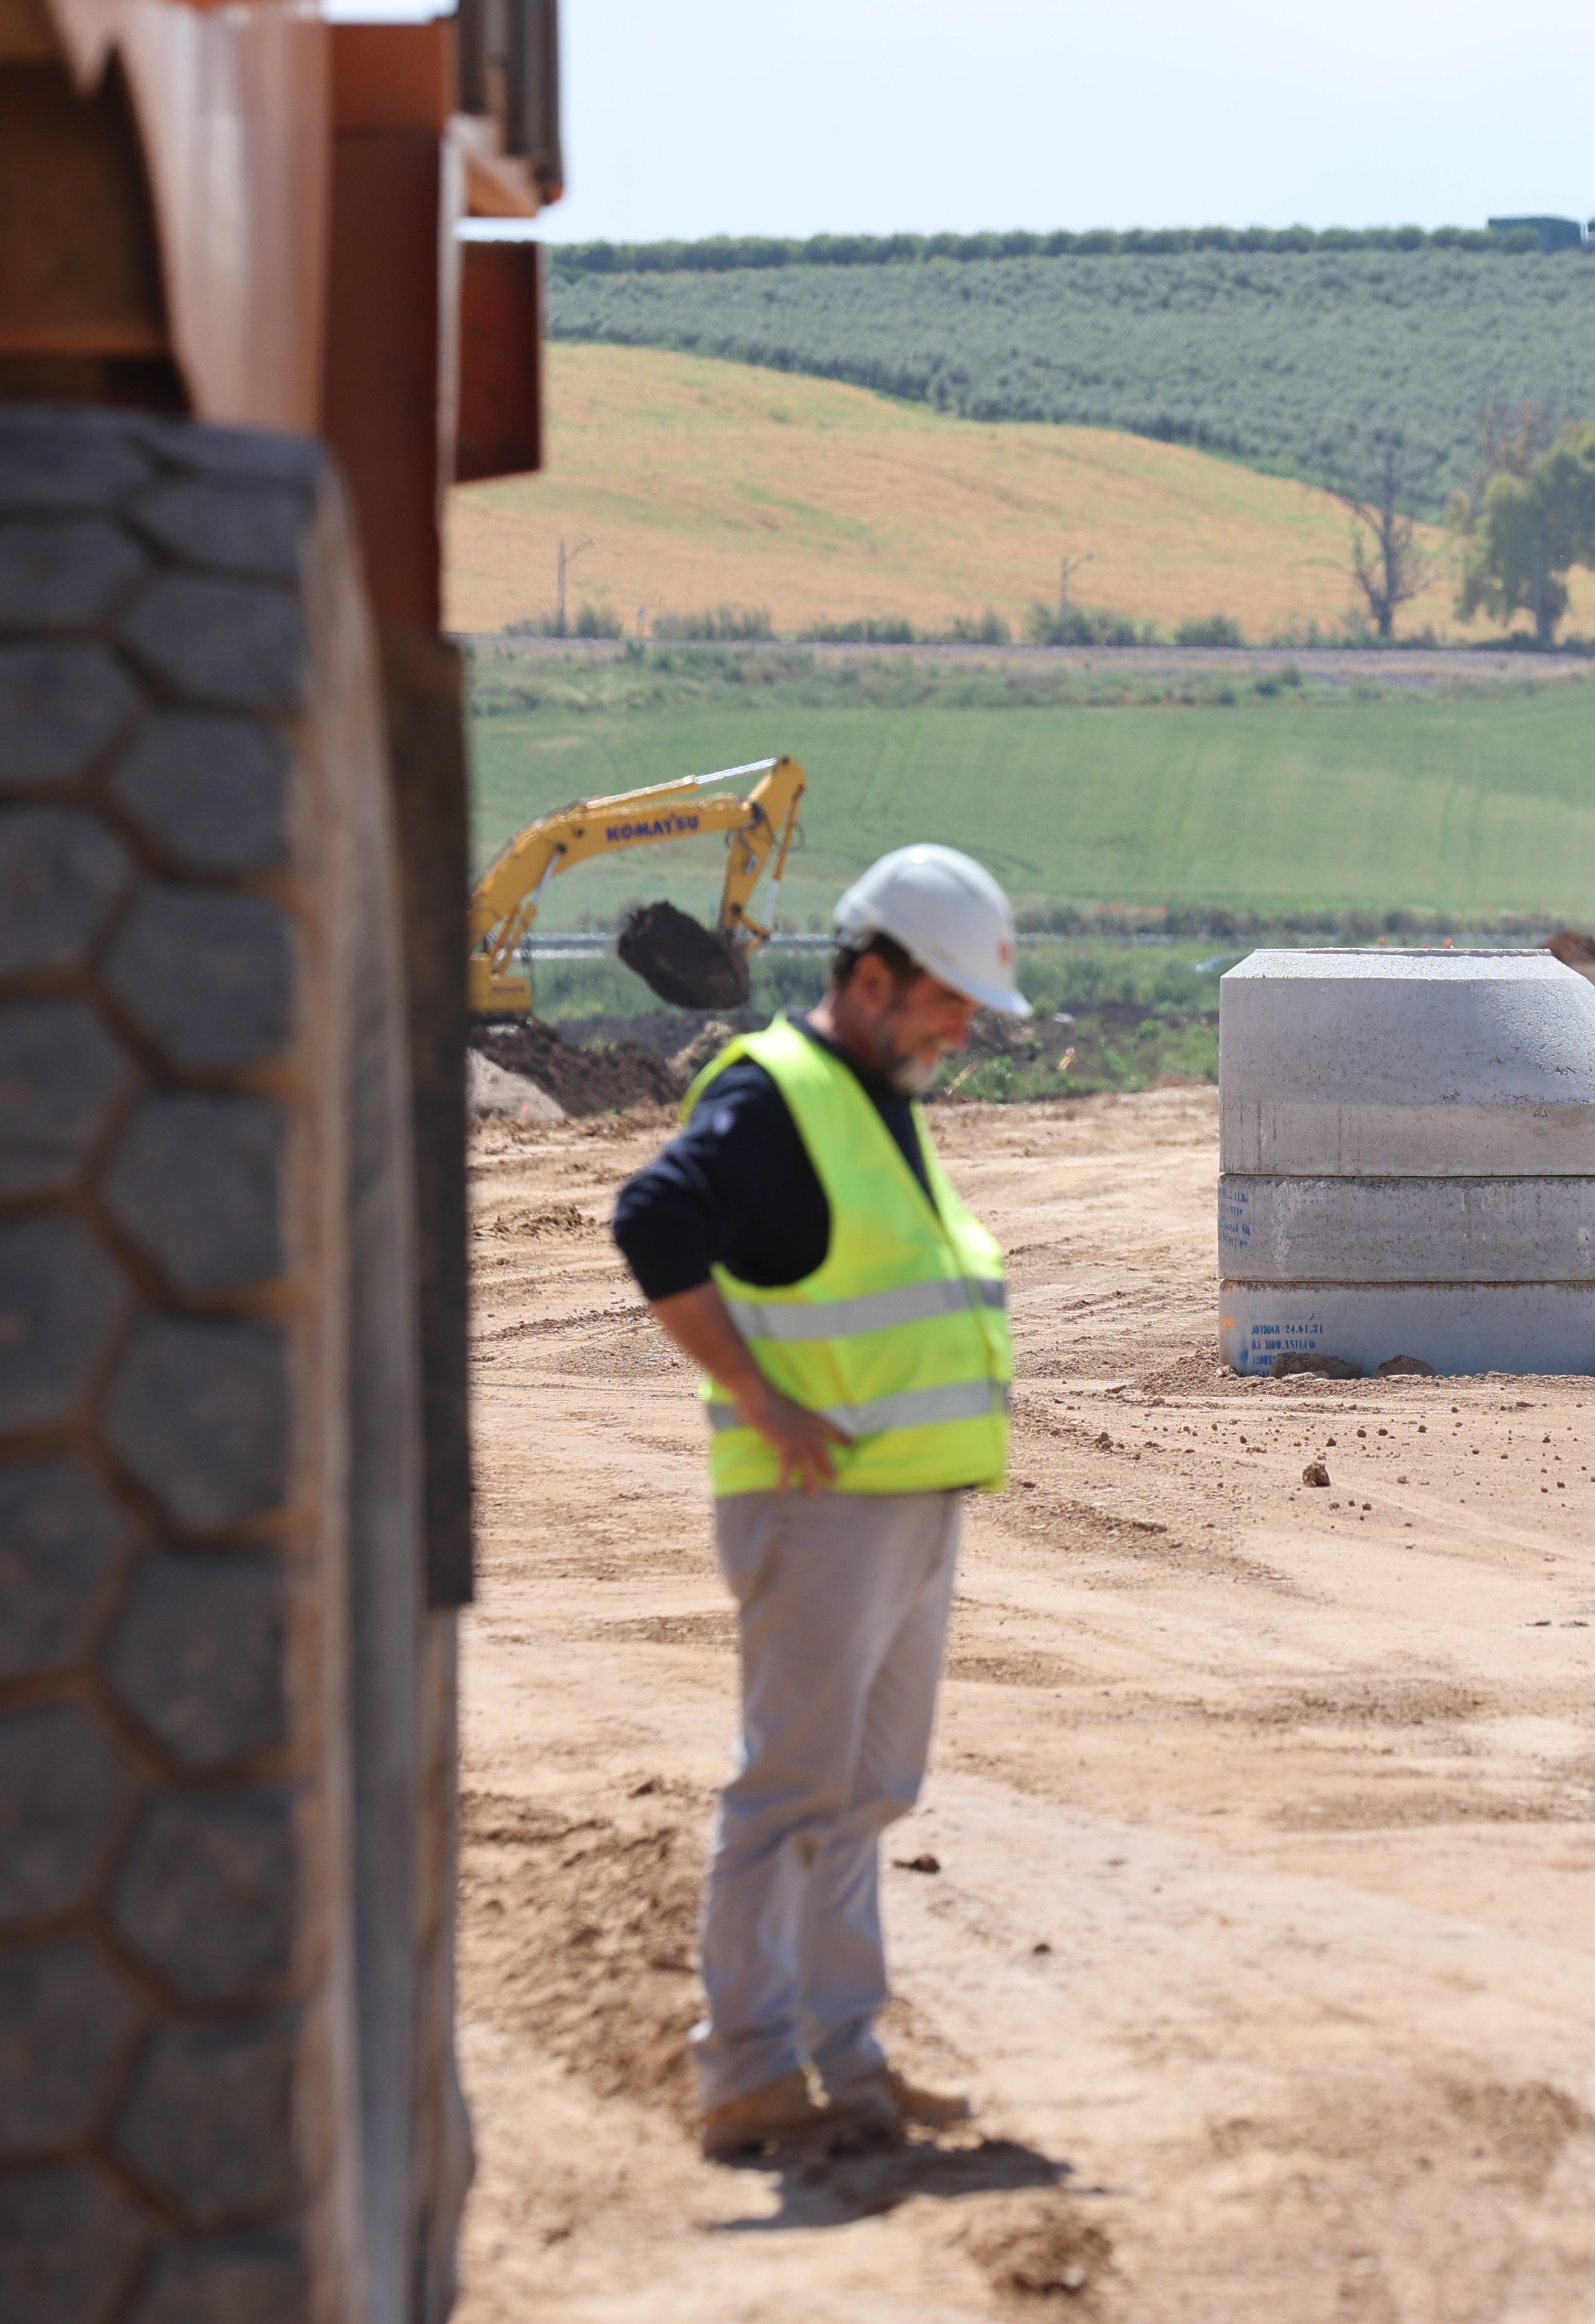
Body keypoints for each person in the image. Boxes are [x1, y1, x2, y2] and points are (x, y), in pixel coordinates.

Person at [610, 843, 1030, 2161]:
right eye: (949, 1001)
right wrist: (758, 1394)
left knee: (865, 1795)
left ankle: (845, 2060)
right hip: (820, 1509)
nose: (963, 1030)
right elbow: (653, 1222)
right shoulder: (780, 1097)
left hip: (907, 1502)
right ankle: (743, 2071)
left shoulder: (878, 1094)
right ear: (869, 977)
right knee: (792, 1792)